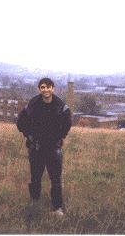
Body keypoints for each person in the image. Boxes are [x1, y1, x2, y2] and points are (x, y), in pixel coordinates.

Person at [16, 77, 72, 216]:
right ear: (39, 89)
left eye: (48, 87)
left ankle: (57, 208)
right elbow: (20, 122)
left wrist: (59, 137)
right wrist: (28, 134)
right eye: (42, 87)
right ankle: (35, 202)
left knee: (56, 180)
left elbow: (67, 124)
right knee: (35, 178)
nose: (45, 90)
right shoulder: (33, 104)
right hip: (36, 148)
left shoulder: (61, 106)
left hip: (54, 148)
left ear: (53, 89)